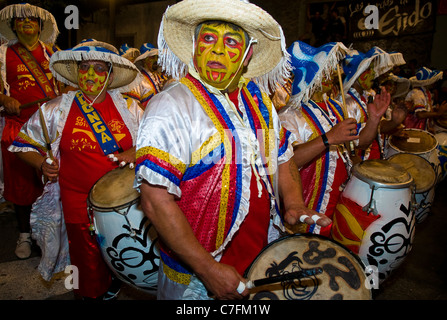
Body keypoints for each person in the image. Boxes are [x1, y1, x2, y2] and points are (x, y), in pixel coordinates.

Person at [135, 0, 330, 300]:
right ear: (194, 46)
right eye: (209, 38)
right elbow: (153, 200)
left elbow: (281, 155)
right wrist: (208, 270)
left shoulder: (258, 100)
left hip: (259, 258)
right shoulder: (171, 105)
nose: (217, 51)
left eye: (231, 42)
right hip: (197, 277)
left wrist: (293, 202)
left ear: (248, 54)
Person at [8, 41, 143, 299]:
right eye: (84, 67)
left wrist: (134, 152)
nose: (90, 74)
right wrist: (42, 164)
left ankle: (111, 283)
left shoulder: (130, 108)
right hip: (76, 197)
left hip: (122, 201)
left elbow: (154, 144)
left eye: (99, 68)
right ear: (77, 72)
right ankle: (88, 294)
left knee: (119, 248)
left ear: (110, 75)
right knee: (84, 253)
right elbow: (22, 145)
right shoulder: (55, 109)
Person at [279, 41, 390, 237]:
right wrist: (328, 138)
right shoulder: (291, 115)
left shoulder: (336, 109)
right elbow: (288, 160)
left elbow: (360, 143)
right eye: (328, 69)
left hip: (337, 205)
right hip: (307, 209)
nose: (335, 73)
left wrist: (373, 120)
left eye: (335, 68)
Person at [0, 3, 61, 259]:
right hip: (19, 126)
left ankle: (51, 232)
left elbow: (67, 84)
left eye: (32, 20)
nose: (26, 22)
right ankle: (24, 233)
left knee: (53, 182)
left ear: (40, 25)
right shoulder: (3, 53)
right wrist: (4, 100)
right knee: (22, 184)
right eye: (21, 20)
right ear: (13, 25)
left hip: (51, 127)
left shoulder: (54, 53)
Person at [341, 47, 405, 160]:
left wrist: (394, 122)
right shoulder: (346, 103)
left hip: (376, 159)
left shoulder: (370, 95)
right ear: (356, 75)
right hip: (361, 166)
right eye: (368, 70)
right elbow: (356, 143)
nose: (374, 74)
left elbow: (379, 127)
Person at [403, 67, 446, 131]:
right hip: (413, 129)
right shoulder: (417, 93)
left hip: (419, 128)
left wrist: (434, 109)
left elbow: (424, 111)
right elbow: (420, 114)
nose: (435, 83)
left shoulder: (425, 92)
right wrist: (438, 113)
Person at [132, 42, 169, 109]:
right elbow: (135, 104)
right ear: (144, 60)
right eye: (152, 57)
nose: (156, 60)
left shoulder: (157, 77)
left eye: (157, 57)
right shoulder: (138, 80)